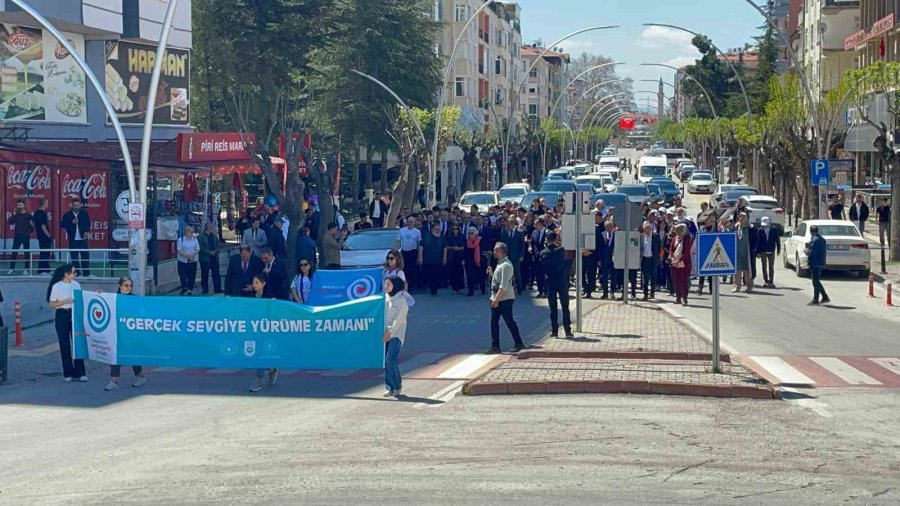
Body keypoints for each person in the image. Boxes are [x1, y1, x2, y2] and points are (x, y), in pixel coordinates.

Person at [105, 277, 146, 391]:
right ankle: (114, 381)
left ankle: (140, 376)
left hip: (131, 333)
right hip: (117, 332)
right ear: (120, 286)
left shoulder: (135, 299)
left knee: (133, 355)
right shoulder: (113, 298)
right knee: (115, 355)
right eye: (126, 285)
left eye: (130, 286)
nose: (129, 288)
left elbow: (142, 313)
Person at [47, 264, 86, 382]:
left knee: (77, 342)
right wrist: (65, 301)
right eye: (73, 272)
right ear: (66, 274)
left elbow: (81, 298)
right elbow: (51, 304)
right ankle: (68, 372)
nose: (75, 274)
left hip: (73, 313)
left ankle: (80, 372)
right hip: (62, 313)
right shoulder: (57, 286)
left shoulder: (76, 285)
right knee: (64, 343)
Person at [486, 242, 525, 354]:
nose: (494, 252)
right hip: (497, 297)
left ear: (501, 251)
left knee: (509, 321)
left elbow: (504, 285)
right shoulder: (500, 264)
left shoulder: (506, 265)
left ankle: (518, 343)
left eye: (495, 250)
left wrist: (496, 299)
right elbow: (498, 281)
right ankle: (495, 345)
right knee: (494, 322)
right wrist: (492, 274)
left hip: (505, 298)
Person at [247, 273, 279, 392]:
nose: (254, 285)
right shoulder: (251, 297)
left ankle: (258, 380)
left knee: (260, 355)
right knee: (255, 354)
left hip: (266, 331)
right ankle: (272, 369)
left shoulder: (269, 298)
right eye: (253, 283)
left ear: (263, 284)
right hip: (254, 331)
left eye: (257, 283)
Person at [540, 232, 573, 338]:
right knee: (565, 306)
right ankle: (567, 330)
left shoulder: (543, 253)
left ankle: (554, 331)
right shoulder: (561, 250)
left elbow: (541, 268)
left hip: (550, 281)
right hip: (561, 280)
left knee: (553, 308)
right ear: (555, 239)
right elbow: (565, 263)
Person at [382, 275, 410, 397]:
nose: (386, 286)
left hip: (396, 335)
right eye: (385, 284)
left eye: (388, 284)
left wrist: (390, 331)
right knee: (384, 362)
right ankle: (389, 387)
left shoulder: (401, 301)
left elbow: (399, 320)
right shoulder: (385, 298)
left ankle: (397, 386)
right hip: (385, 335)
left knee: (390, 360)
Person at [60, 197, 91, 276]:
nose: (76, 207)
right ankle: (77, 273)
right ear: (72, 206)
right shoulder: (67, 214)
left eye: (77, 205)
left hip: (82, 238)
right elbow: (62, 224)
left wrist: (87, 232)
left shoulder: (84, 213)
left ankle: (86, 274)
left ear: (80, 205)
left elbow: (88, 224)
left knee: (85, 257)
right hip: (73, 239)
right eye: (74, 205)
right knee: (74, 257)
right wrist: (71, 222)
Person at [420, 222, 447, 295]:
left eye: (439, 229)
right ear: (432, 229)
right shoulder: (427, 236)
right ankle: (431, 287)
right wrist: (420, 257)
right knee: (429, 274)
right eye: (436, 229)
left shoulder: (441, 236)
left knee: (437, 275)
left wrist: (444, 258)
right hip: (428, 259)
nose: (438, 230)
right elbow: (421, 246)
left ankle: (435, 288)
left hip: (438, 259)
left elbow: (444, 247)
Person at [806, 225, 830, 305]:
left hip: (815, 263)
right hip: (821, 262)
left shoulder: (814, 240)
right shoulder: (822, 239)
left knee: (815, 282)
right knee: (816, 281)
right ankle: (820, 297)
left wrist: (807, 252)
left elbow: (812, 252)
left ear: (811, 232)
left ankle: (821, 297)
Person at [8, 199, 34, 275]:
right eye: (18, 205)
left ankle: (26, 269)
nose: (19, 206)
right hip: (17, 236)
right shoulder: (16, 215)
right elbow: (10, 222)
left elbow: (32, 226)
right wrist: (14, 213)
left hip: (25, 236)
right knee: (14, 252)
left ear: (24, 205)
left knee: (26, 252)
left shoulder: (28, 215)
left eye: (20, 205)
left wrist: (27, 232)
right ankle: (12, 268)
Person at [395, 217, 422, 289]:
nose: (409, 223)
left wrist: (419, 256)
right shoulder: (402, 230)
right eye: (408, 222)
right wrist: (394, 249)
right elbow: (397, 240)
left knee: (412, 270)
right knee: (404, 269)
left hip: (413, 252)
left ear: (414, 223)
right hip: (404, 252)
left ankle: (411, 286)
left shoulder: (417, 232)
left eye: (411, 222)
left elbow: (419, 244)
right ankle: (404, 285)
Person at [669, 223, 692, 306]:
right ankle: (678, 298)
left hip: (684, 263)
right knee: (676, 280)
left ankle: (684, 299)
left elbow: (686, 252)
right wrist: (672, 258)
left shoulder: (687, 239)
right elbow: (671, 248)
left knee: (684, 281)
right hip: (675, 263)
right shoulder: (675, 238)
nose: (676, 231)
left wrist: (679, 260)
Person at [500, 218, 525, 293]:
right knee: (506, 272)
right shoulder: (505, 232)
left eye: (509, 224)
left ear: (513, 224)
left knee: (517, 272)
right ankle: (506, 288)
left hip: (516, 255)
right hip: (507, 255)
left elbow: (522, 245)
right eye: (507, 224)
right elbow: (502, 242)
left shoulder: (520, 232)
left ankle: (519, 288)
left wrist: (521, 255)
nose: (507, 226)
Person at [756, 217, 781, 288]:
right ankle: (766, 280)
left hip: (771, 251)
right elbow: (758, 242)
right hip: (763, 251)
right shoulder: (760, 230)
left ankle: (771, 281)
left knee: (771, 267)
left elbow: (777, 240)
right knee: (764, 267)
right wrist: (757, 252)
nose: (765, 226)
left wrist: (778, 250)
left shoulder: (774, 229)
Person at [639, 222, 661, 300]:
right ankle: (645, 294)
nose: (647, 230)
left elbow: (660, 248)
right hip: (644, 260)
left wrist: (659, 258)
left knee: (653, 277)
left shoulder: (656, 236)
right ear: (644, 229)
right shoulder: (641, 236)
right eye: (646, 229)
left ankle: (652, 293)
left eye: (649, 228)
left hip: (653, 259)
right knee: (645, 277)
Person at [198, 222, 222, 294]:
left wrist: (215, 251)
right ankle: (205, 289)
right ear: (208, 228)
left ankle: (217, 289)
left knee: (216, 274)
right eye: (211, 227)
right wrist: (209, 252)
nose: (213, 229)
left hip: (214, 258)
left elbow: (218, 245)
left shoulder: (214, 236)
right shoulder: (201, 236)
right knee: (204, 274)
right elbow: (200, 247)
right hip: (205, 259)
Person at [176, 226, 200, 295]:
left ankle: (190, 289)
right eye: (191, 232)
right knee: (182, 275)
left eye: (192, 232)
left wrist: (192, 255)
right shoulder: (181, 240)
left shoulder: (195, 239)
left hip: (192, 260)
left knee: (192, 275)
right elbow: (179, 250)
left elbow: (197, 248)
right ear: (186, 232)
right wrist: (187, 256)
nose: (192, 233)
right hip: (182, 261)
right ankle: (184, 287)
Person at [733, 213, 753, 293]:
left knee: (748, 270)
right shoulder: (736, 227)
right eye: (740, 216)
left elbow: (754, 239)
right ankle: (737, 286)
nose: (741, 218)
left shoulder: (750, 228)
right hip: (737, 251)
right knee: (737, 270)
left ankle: (749, 286)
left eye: (743, 217)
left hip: (747, 251)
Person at [464, 227, 486, 296]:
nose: (470, 234)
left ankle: (483, 290)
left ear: (476, 234)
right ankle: (471, 291)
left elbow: (484, 250)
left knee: (481, 276)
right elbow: (465, 252)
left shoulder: (481, 240)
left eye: (472, 233)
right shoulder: (467, 242)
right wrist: (463, 260)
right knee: (469, 276)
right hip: (469, 261)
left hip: (479, 261)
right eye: (469, 233)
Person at [33, 198, 51, 274]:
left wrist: (37, 229)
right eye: (47, 203)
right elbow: (43, 226)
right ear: (44, 204)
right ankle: (42, 270)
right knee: (45, 253)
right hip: (44, 236)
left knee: (43, 252)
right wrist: (48, 235)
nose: (47, 204)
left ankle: (46, 269)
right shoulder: (43, 213)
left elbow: (32, 223)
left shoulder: (36, 212)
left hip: (39, 235)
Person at [445, 224, 466, 293]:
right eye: (453, 229)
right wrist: (453, 248)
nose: (455, 230)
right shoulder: (449, 237)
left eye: (456, 228)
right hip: (452, 256)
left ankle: (460, 287)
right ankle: (454, 288)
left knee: (460, 272)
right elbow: (446, 246)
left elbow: (465, 246)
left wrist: (459, 248)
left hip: (460, 255)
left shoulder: (462, 236)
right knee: (453, 272)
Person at [530, 219, 547, 297]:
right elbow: (532, 243)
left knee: (545, 275)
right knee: (538, 275)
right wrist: (530, 248)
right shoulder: (534, 232)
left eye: (536, 224)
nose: (534, 225)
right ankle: (540, 291)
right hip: (536, 257)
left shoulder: (547, 232)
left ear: (540, 224)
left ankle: (546, 291)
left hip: (545, 257)